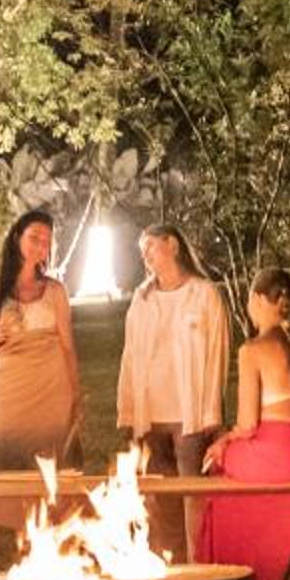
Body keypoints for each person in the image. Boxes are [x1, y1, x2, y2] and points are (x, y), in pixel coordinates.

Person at [196, 268, 290, 580]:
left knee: (218, 469)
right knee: (246, 484)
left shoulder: (252, 350)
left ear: (257, 299)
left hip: (282, 451)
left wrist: (223, 442)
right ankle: (262, 572)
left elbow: (247, 425)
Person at [0, 208, 84, 570]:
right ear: (17, 237)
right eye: (34, 237)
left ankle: (49, 560)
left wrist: (75, 395)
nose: (40, 245)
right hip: (9, 391)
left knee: (51, 474)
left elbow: (67, 345)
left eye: (46, 241)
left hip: (51, 389)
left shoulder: (55, 290)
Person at [115, 225, 229, 562]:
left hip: (189, 413)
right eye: (142, 250)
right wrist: (128, 409)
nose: (145, 255)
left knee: (191, 491)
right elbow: (130, 355)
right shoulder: (142, 299)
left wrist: (212, 414)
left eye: (151, 246)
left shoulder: (203, 294)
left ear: (173, 245)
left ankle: (197, 562)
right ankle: (168, 560)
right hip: (151, 412)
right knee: (160, 494)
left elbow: (217, 354)